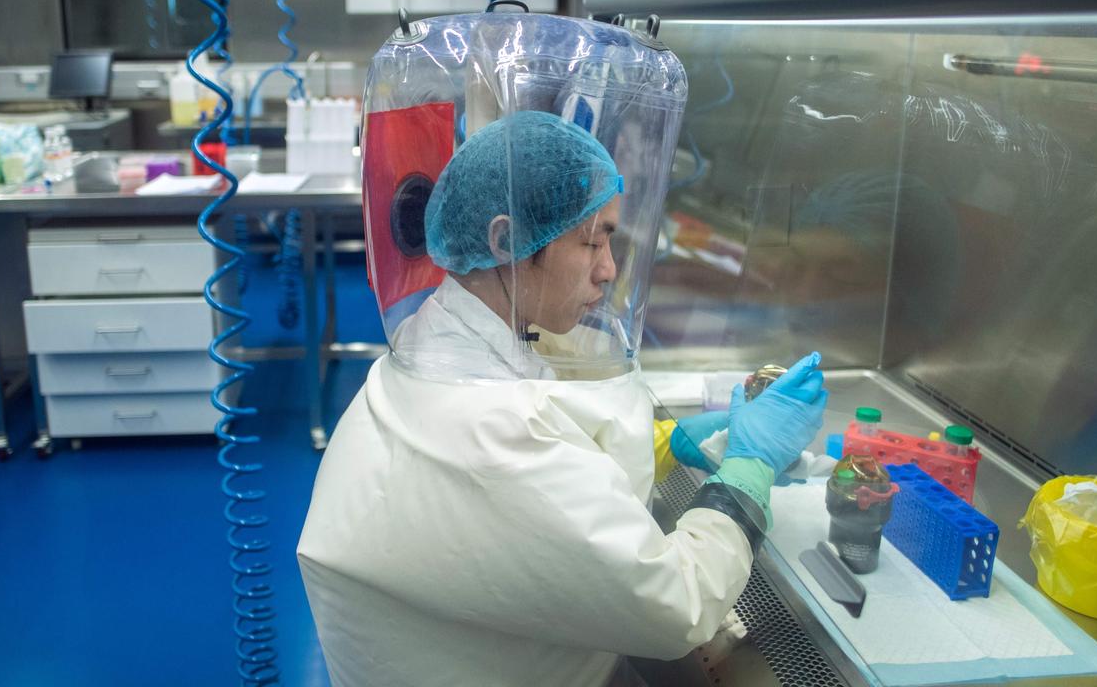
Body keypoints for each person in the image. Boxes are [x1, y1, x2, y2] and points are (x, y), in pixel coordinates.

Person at [297, 110, 827, 687]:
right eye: (592, 240)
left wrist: (665, 443)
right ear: (507, 241)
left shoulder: (443, 338)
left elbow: (530, 488)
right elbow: (679, 605)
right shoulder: (494, 431)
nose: (608, 270)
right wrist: (750, 468)